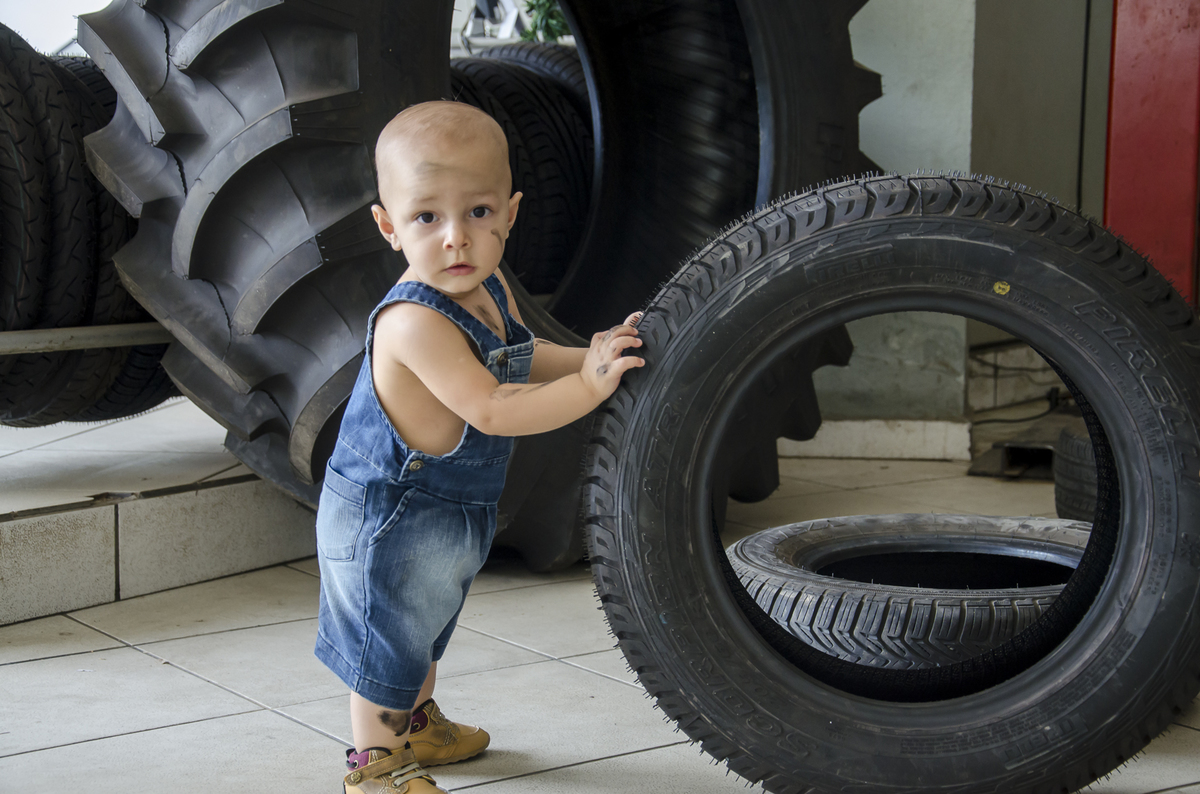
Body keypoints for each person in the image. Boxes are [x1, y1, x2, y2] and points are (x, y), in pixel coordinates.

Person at [314, 100, 645, 794]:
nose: (456, 240)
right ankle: (375, 765)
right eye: (427, 218)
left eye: (479, 214)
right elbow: (493, 407)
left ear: (511, 212)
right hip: (387, 516)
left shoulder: (489, 289)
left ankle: (418, 723)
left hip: (446, 509)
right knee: (388, 646)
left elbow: (520, 361)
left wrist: (589, 355)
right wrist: (590, 389)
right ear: (388, 225)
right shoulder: (414, 322)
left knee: (426, 630)